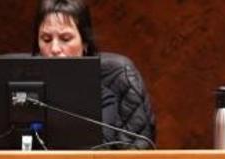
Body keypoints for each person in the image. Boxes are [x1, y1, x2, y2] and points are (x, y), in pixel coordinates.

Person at [32, 0, 156, 149]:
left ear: (85, 43)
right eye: (46, 39)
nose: (55, 49)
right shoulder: (23, 88)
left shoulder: (107, 92)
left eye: (65, 39)